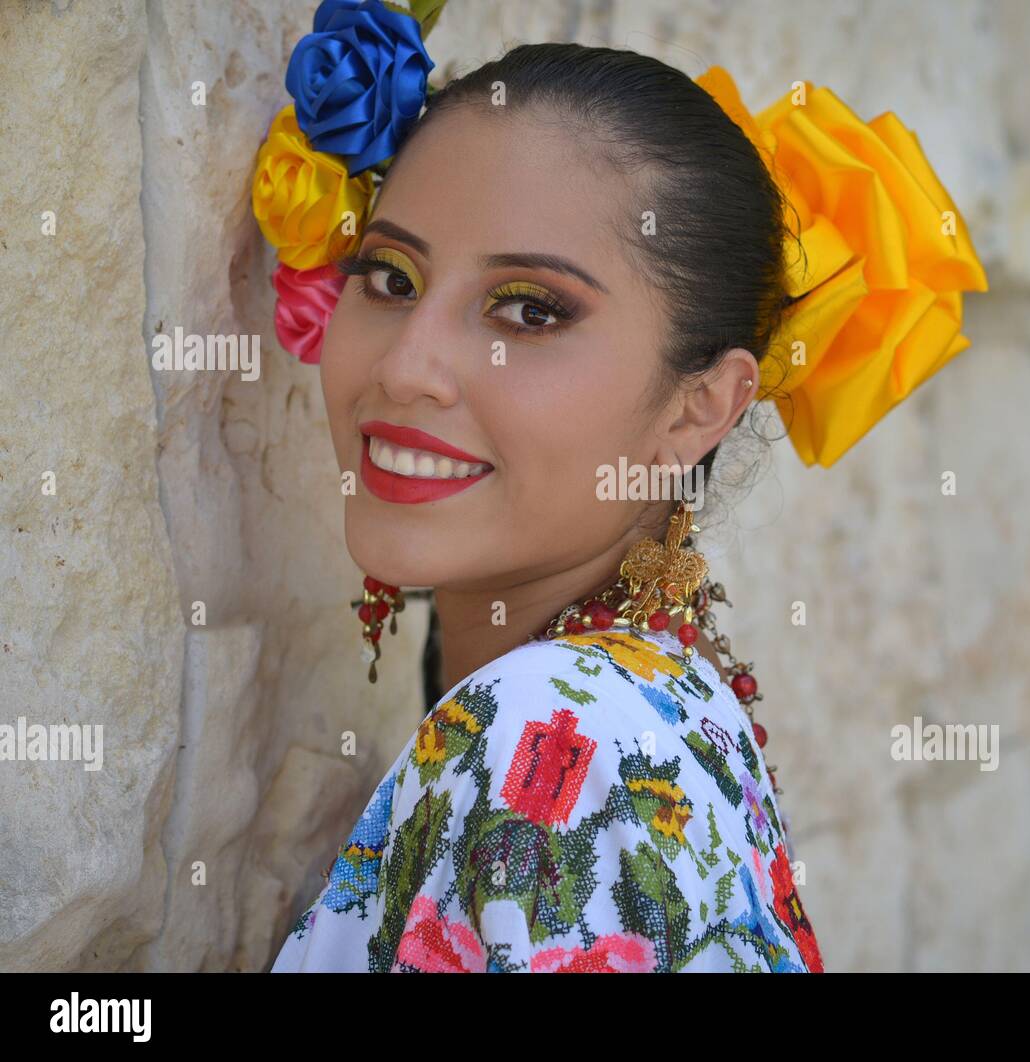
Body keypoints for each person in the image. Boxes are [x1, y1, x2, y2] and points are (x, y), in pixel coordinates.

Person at [254, 6, 986, 973]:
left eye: (529, 309)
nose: (408, 366)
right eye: (389, 277)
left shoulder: (552, 737)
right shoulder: (651, 703)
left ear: (699, 407)